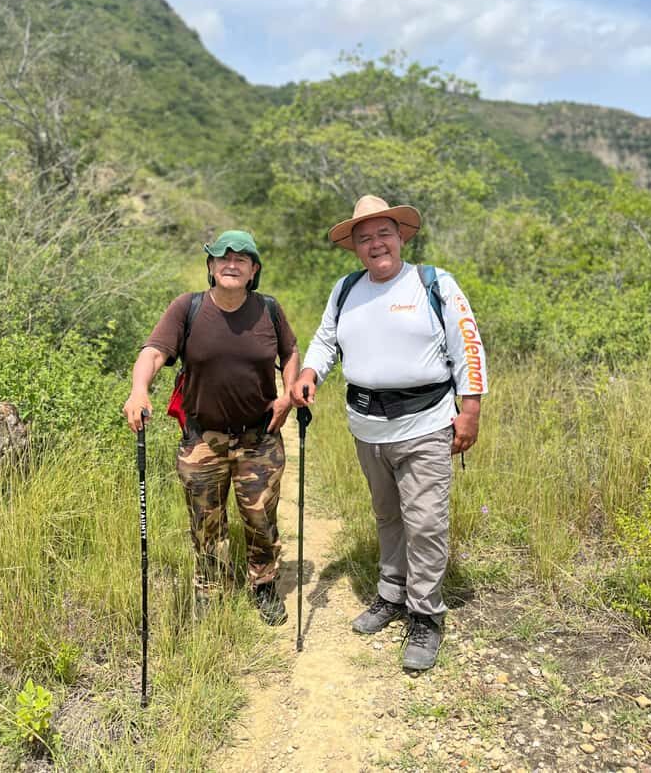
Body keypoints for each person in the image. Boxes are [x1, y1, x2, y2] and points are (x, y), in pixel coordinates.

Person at [291, 196, 488, 670]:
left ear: (401, 237)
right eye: (364, 238)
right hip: (367, 426)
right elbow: (325, 339)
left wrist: (472, 407)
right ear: (355, 248)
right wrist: (311, 373)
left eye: (384, 233)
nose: (375, 243)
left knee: (425, 521)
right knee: (387, 514)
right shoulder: (346, 289)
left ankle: (426, 615)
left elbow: (468, 344)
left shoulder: (434, 284)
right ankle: (390, 594)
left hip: (426, 424)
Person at [123, 230, 299, 625]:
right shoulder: (188, 308)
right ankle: (210, 589)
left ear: (253, 270)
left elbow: (290, 351)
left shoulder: (269, 310)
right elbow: (153, 353)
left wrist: (288, 394)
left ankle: (264, 584)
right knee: (206, 521)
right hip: (203, 438)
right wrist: (139, 391)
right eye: (222, 257)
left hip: (259, 438)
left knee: (260, 518)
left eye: (241, 259)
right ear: (211, 267)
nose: (231, 264)